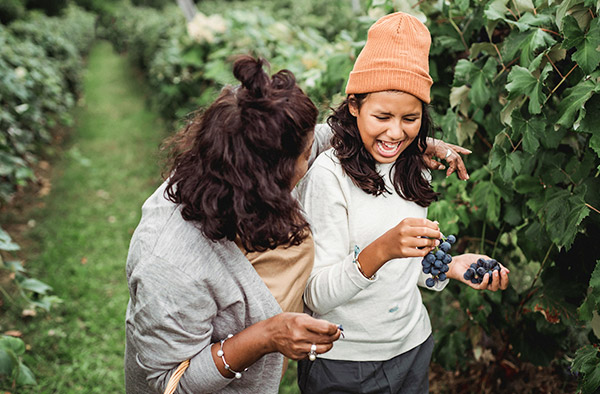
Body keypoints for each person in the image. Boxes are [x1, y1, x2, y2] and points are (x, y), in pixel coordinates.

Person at [296, 12, 510, 394]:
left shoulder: (414, 168)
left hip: (411, 348)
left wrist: (449, 268)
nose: (396, 133)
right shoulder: (329, 177)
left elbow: (405, 273)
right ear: (354, 106)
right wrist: (381, 250)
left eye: (410, 118)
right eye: (382, 116)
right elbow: (315, 294)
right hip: (343, 363)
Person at [124, 55, 342, 394]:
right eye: (304, 155)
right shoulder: (169, 264)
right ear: (268, 179)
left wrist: (406, 148)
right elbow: (169, 384)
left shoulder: (232, 165)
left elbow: (315, 140)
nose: (310, 156)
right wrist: (267, 336)